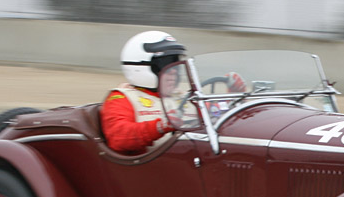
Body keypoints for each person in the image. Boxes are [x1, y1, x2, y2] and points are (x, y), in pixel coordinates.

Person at [101, 31, 245, 155]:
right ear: (143, 67)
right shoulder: (123, 98)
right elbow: (118, 138)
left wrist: (234, 99)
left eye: (175, 64)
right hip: (151, 171)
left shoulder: (183, 97)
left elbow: (215, 115)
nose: (174, 71)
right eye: (166, 65)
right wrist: (162, 125)